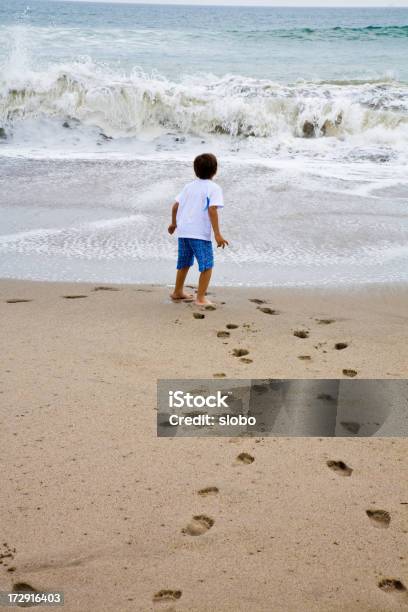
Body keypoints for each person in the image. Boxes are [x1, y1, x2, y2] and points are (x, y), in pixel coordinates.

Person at [168, 153, 228, 305]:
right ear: (215, 171)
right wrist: (217, 234)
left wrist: (173, 224)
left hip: (184, 232)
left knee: (184, 263)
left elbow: (175, 206)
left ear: (195, 170)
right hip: (199, 234)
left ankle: (177, 291)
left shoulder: (188, 186)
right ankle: (200, 298)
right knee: (207, 265)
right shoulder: (214, 188)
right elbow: (212, 210)